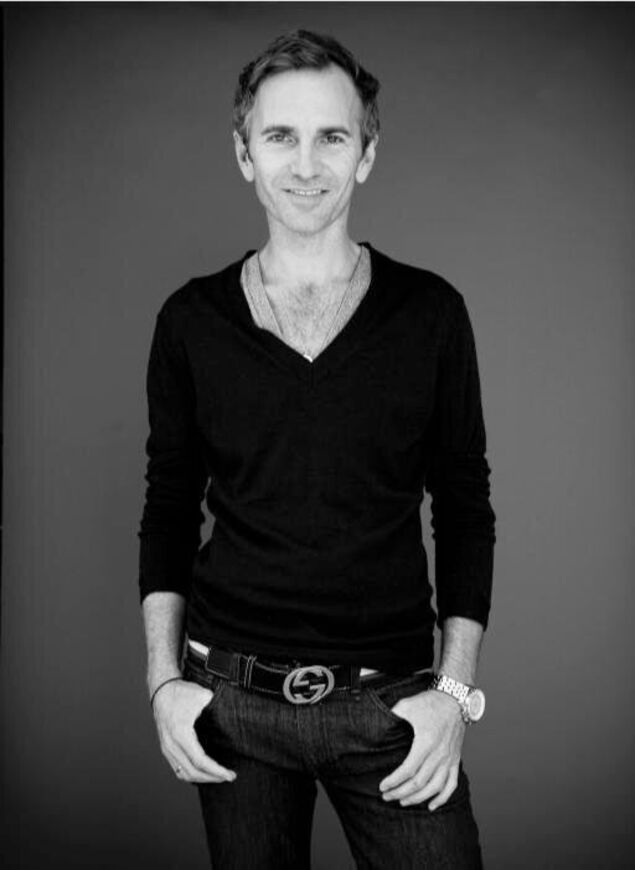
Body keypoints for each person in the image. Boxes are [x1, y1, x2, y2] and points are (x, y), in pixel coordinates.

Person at [138, 28, 496, 869]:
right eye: (279, 136)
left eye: (331, 137)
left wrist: (452, 694)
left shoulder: (430, 314)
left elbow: (465, 508)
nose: (305, 164)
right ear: (244, 154)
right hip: (229, 705)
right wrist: (162, 684)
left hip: (390, 704)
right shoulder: (190, 322)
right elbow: (167, 507)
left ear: (365, 155)